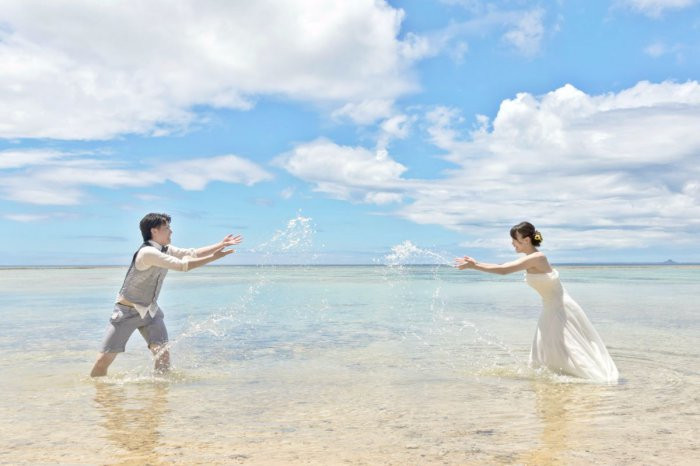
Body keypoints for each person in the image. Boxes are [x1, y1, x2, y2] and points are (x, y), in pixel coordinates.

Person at [454, 221, 618, 383]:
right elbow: (503, 265)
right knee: (550, 347)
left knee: (569, 346)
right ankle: (556, 380)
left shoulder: (538, 257)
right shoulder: (530, 258)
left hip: (560, 308)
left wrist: (474, 267)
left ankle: (591, 379)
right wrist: (475, 263)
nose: (512, 244)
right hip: (550, 307)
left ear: (526, 240)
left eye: (514, 240)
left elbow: (504, 270)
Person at [90, 213, 242, 377]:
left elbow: (191, 253)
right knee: (103, 362)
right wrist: (213, 257)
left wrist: (220, 244)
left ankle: (159, 397)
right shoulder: (147, 253)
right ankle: (100, 397)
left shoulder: (165, 249)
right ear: (154, 231)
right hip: (126, 312)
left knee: (163, 355)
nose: (171, 231)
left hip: (151, 311)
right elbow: (183, 266)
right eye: (167, 228)